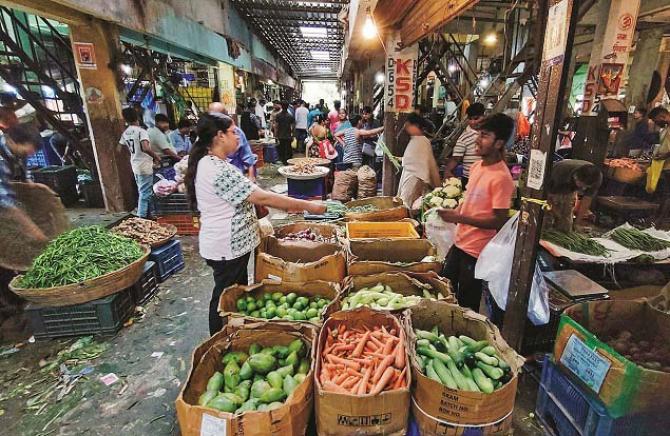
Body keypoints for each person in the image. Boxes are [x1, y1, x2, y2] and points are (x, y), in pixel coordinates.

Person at [185, 113, 326, 334]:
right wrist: (309, 206)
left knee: (234, 293)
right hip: (226, 247)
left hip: (230, 246)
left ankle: (233, 331)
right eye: (233, 132)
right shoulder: (217, 170)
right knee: (224, 297)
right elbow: (263, 198)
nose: (238, 137)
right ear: (220, 136)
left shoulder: (212, 163)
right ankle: (219, 336)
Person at [438, 113, 515, 312]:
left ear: (498, 143)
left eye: (485, 136)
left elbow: (499, 220)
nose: (477, 139)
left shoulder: (501, 178)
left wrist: (459, 217)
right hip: (460, 242)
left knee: (467, 303)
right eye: (479, 134)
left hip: (476, 252)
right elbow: (470, 198)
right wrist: (458, 210)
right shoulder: (476, 166)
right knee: (444, 288)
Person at [119, 107, 161, 218]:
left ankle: (148, 216)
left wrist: (133, 154)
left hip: (135, 165)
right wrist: (156, 156)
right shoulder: (141, 131)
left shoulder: (126, 133)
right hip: (144, 165)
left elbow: (120, 148)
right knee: (145, 193)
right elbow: (145, 148)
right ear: (137, 117)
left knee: (143, 190)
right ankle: (141, 218)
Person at [397, 113, 441, 209]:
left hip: (415, 180)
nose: (406, 128)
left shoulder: (423, 141)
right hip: (408, 177)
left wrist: (438, 187)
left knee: (407, 207)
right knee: (405, 205)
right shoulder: (415, 140)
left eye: (408, 125)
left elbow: (431, 165)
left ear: (416, 126)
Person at [544, 160, 602, 232]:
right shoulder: (560, 171)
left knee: (566, 223)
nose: (584, 189)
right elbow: (547, 195)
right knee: (547, 218)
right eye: (582, 185)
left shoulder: (596, 178)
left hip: (570, 188)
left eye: (587, 187)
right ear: (575, 177)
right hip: (554, 186)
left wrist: (577, 222)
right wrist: (555, 212)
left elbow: (587, 200)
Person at [208, 102, 257, 181]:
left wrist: (251, 175)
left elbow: (247, 153)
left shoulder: (235, 131)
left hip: (236, 175)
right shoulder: (206, 133)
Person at [445, 102, 485, 188]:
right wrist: (448, 171)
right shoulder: (464, 138)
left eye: (476, 118)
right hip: (470, 180)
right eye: (470, 119)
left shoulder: (489, 134)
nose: (473, 122)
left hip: (487, 179)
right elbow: (456, 158)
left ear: (484, 116)